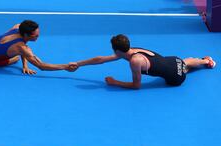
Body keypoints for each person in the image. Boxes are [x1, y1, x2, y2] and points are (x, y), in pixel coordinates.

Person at [70, 34, 216, 89]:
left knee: (182, 71)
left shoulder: (135, 61)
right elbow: (101, 59)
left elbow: (136, 85)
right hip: (174, 60)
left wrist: (115, 82)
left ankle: (197, 65)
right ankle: (205, 61)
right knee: (183, 62)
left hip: (176, 79)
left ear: (117, 51)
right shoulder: (132, 50)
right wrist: (79, 64)